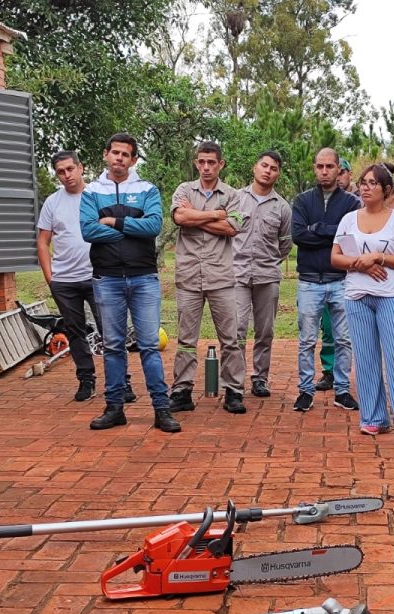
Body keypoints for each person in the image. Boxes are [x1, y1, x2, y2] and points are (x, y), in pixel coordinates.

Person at [80, 132, 179, 433]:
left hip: (143, 278)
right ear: (105, 155)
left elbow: (153, 226)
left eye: (126, 154)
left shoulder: (147, 189)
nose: (120, 158)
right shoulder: (91, 192)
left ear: (134, 159)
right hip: (107, 278)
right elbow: (88, 230)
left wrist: (113, 222)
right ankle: (115, 408)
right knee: (112, 346)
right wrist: (129, 230)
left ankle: (161, 409)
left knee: (149, 345)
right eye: (115, 153)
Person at [332, 164, 394, 440]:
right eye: (363, 182)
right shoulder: (349, 219)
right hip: (357, 297)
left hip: (390, 296)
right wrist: (361, 265)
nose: (365, 187)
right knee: (366, 358)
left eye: (373, 183)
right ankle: (374, 417)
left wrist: (378, 258)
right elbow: (336, 258)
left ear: (386, 190)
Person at [168, 141, 248, 415]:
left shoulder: (232, 195)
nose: (205, 167)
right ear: (196, 162)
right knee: (186, 340)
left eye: (211, 162)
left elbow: (232, 227)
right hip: (189, 276)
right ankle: (182, 391)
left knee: (231, 338)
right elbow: (179, 218)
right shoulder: (183, 190)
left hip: (221, 277)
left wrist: (195, 216)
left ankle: (234, 391)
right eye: (201, 162)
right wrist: (215, 214)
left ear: (221, 164)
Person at [38, 150, 122, 403]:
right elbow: (43, 242)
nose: (66, 175)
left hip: (98, 276)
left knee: (110, 332)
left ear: (81, 168)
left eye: (69, 169)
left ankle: (120, 382)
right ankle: (86, 380)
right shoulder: (52, 202)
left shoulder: (98, 196)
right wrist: (50, 279)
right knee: (75, 333)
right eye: (60, 172)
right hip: (64, 280)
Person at [291, 148, 361, 412]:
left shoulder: (351, 203)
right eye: (319, 166)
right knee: (307, 340)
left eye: (329, 167)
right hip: (309, 279)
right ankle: (305, 391)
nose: (324, 171)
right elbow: (298, 235)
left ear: (338, 169)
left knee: (344, 339)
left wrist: (317, 229)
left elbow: (349, 239)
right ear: (314, 168)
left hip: (341, 279)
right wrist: (332, 233)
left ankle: (342, 390)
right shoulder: (302, 201)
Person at [234, 150, 293, 397]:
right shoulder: (234, 199)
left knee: (264, 331)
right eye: (264, 165)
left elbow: (285, 244)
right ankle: (234, 382)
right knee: (235, 329)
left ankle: (260, 378)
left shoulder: (282, 207)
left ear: (277, 175)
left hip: (267, 276)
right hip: (236, 274)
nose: (268, 171)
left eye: (274, 168)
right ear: (254, 168)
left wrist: (269, 261)